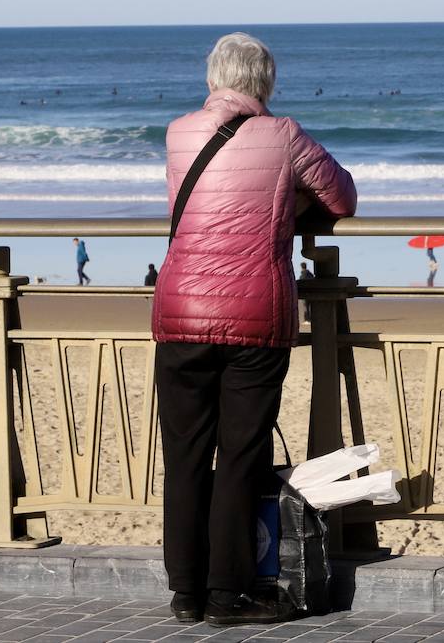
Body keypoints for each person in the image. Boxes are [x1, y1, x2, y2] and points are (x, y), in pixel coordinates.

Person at [152, 33, 356, 626]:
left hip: (181, 312)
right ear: (265, 81)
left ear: (213, 78)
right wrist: (291, 204)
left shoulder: (178, 132)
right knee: (241, 457)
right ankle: (226, 595)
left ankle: (185, 591)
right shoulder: (284, 134)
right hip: (252, 316)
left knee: (185, 457)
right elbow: (342, 197)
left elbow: (194, 206)